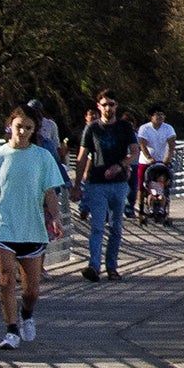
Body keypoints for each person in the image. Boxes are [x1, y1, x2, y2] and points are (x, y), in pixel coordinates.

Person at [0, 109, 67, 350]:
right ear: (10, 125)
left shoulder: (42, 157)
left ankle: (27, 313)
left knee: (32, 290)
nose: (23, 132)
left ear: (34, 130)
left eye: (28, 128)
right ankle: (11, 330)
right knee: (6, 279)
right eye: (19, 126)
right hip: (4, 225)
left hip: (32, 227)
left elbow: (49, 192)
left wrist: (56, 218)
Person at [75, 92, 137, 280]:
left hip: (118, 184)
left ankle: (112, 266)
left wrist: (120, 166)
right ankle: (94, 266)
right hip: (97, 183)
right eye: (104, 105)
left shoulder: (124, 127)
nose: (108, 108)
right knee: (97, 226)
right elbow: (82, 156)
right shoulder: (92, 129)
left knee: (116, 227)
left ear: (116, 106)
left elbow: (134, 153)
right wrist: (77, 184)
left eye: (111, 104)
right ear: (98, 106)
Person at [135, 106, 177, 224]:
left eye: (162, 115)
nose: (160, 117)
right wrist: (148, 157)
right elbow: (142, 143)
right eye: (157, 114)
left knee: (165, 184)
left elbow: (172, 142)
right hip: (146, 161)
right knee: (142, 186)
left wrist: (168, 157)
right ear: (151, 116)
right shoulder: (145, 128)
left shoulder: (168, 128)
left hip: (162, 161)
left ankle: (163, 211)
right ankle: (141, 209)